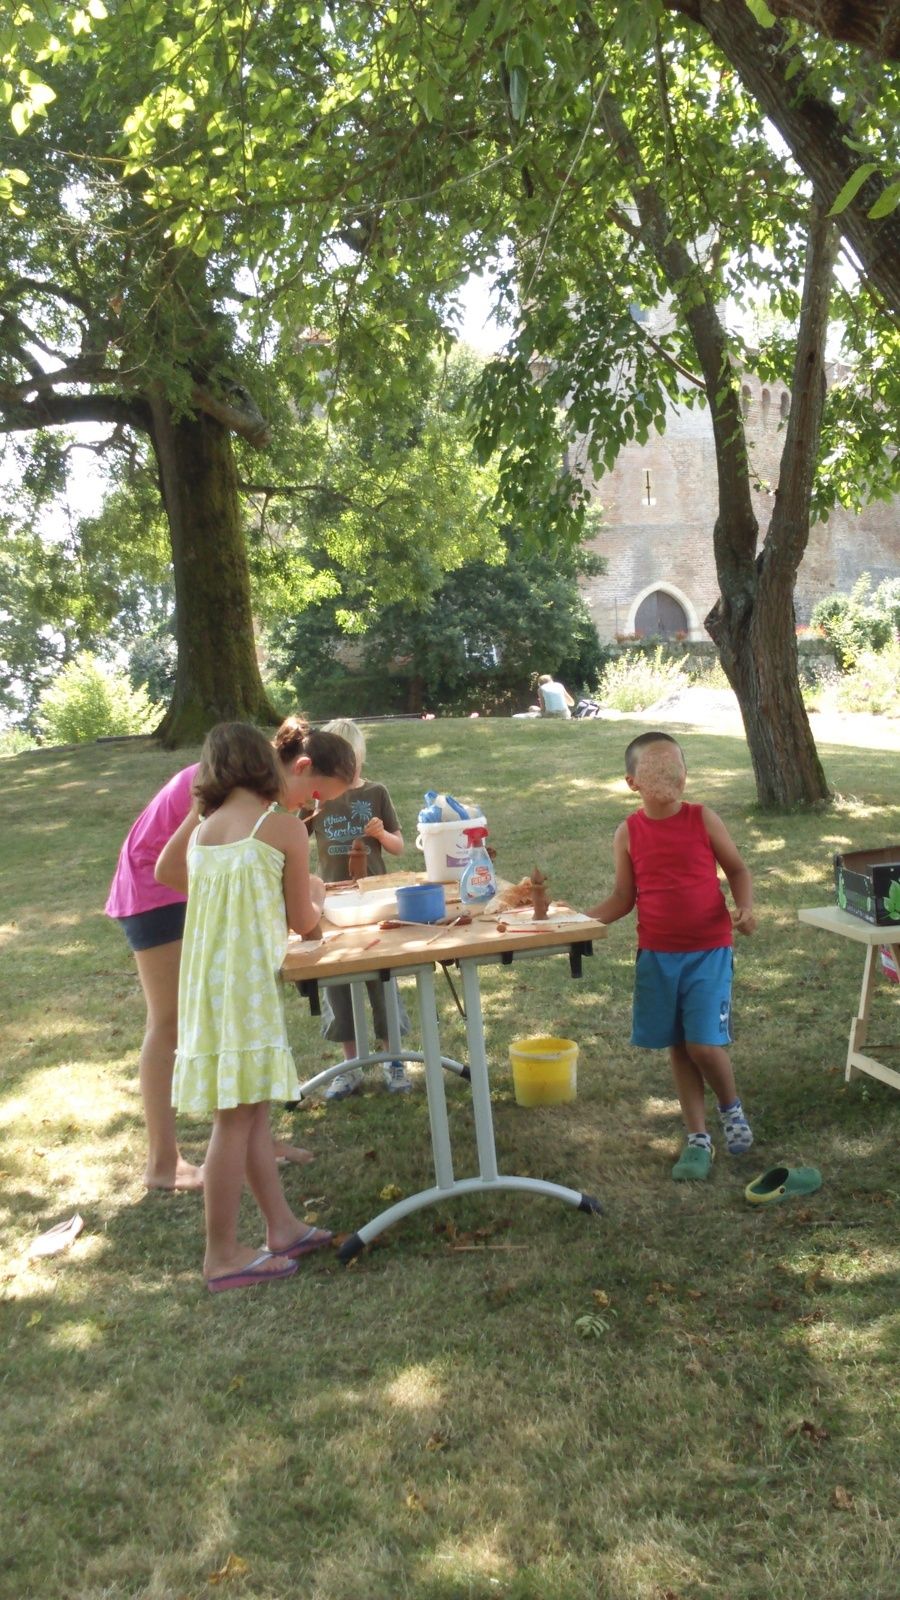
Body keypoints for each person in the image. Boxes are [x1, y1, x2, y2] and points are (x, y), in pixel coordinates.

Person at [105, 715, 357, 1188]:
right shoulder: (220, 780)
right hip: (154, 893)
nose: (311, 808)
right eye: (314, 796)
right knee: (170, 1021)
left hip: (185, 883)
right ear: (300, 767)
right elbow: (171, 869)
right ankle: (164, 1162)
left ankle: (255, 1142)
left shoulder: (260, 801)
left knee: (235, 1027)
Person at [154, 722, 342, 1291]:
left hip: (209, 991)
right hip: (247, 993)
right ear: (265, 764)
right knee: (235, 1119)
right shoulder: (282, 828)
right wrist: (316, 895)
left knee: (251, 1110)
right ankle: (222, 1254)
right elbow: (303, 922)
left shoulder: (203, 833)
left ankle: (280, 1227)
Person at [587, 731, 756, 1181]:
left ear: (684, 776)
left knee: (702, 1043)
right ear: (633, 782)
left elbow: (738, 869)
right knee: (680, 1046)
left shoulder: (703, 819)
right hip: (658, 957)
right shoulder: (628, 832)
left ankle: (731, 1108)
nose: (667, 776)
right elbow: (622, 898)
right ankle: (697, 1138)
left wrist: (745, 907)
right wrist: (578, 920)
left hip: (709, 950)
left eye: (673, 768)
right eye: (655, 769)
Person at [306, 718, 412, 1101]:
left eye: (353, 761)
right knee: (337, 984)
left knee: (382, 980)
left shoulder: (376, 792)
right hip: (333, 904)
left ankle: (394, 1059)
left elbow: (399, 846)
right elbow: (293, 837)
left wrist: (381, 834)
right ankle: (349, 1067)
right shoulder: (317, 799)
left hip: (373, 902)